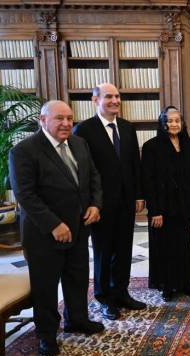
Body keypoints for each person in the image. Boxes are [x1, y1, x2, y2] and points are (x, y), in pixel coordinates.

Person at [9, 100, 104, 356]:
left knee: (77, 277)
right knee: (46, 285)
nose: (65, 124)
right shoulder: (24, 151)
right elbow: (25, 195)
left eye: (69, 118)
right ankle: (47, 335)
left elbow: (93, 176)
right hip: (44, 233)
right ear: (43, 120)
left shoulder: (79, 143)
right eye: (59, 118)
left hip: (78, 226)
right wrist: (54, 224)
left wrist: (95, 204)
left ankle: (77, 320)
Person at [73, 83, 146, 320]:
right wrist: (90, 203)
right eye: (108, 97)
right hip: (100, 203)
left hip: (126, 200)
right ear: (95, 100)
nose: (114, 100)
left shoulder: (127, 127)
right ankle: (105, 297)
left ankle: (122, 291)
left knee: (124, 248)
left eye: (117, 96)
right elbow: (83, 171)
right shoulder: (83, 130)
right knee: (104, 251)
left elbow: (135, 164)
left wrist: (138, 194)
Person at [141, 106, 190, 302]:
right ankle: (166, 285)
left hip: (182, 205)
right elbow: (148, 182)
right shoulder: (151, 147)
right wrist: (155, 210)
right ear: (163, 123)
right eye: (170, 120)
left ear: (182, 124)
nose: (174, 124)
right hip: (161, 207)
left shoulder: (187, 143)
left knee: (182, 245)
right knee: (164, 247)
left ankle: (184, 283)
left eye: (177, 120)